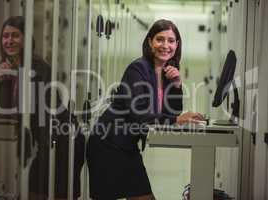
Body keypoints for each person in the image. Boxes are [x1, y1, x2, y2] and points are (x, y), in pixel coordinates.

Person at [86, 19, 205, 200]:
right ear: (150, 42)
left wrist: (176, 84)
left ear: (177, 45)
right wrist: (176, 120)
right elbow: (140, 116)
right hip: (108, 144)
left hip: (126, 146)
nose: (165, 45)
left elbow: (171, 111)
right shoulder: (138, 69)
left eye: (171, 41)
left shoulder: (167, 72)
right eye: (160, 39)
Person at [0, 16, 84, 200]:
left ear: (26, 39)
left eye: (15, 35)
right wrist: (4, 81)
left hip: (60, 141)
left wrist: (37, 155)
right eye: (5, 36)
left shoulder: (37, 67)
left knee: (46, 192)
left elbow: (39, 115)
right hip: (44, 141)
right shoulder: (11, 68)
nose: (9, 41)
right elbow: (8, 113)